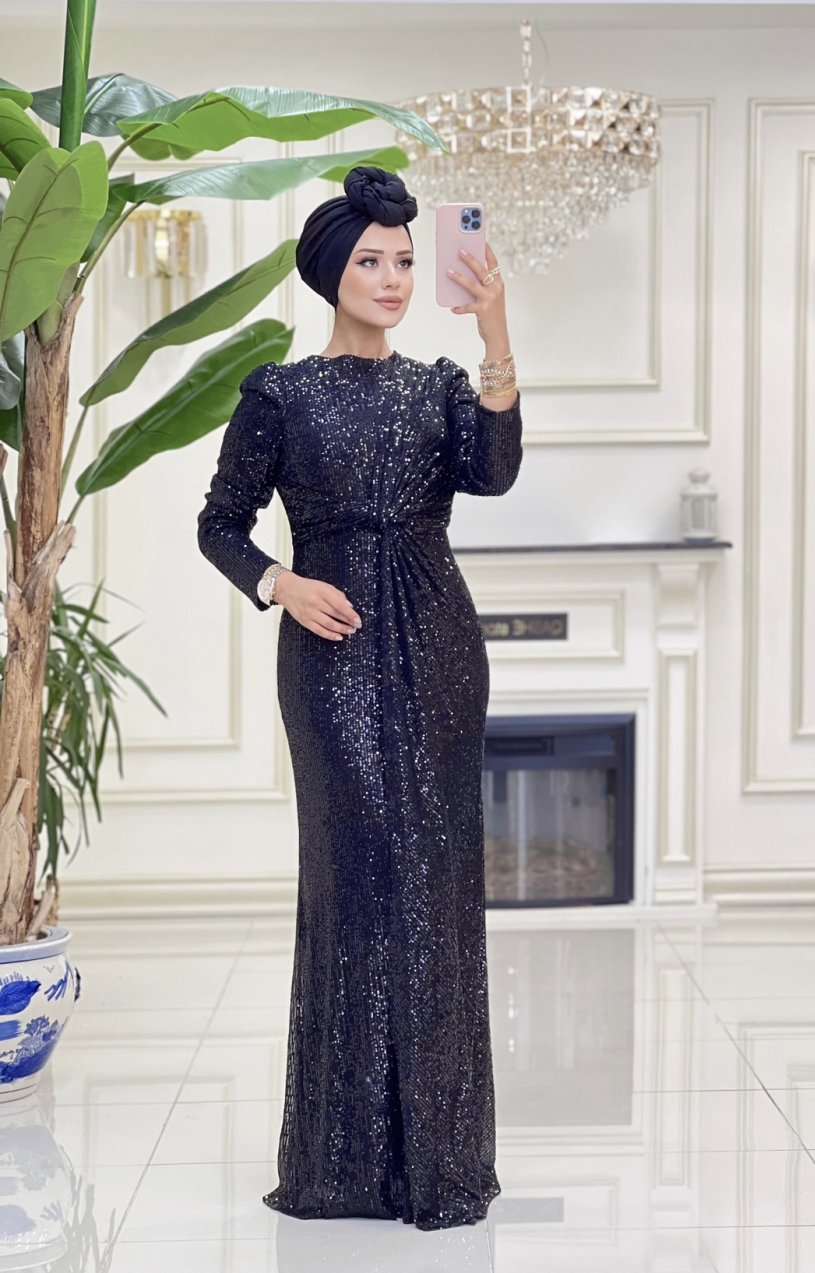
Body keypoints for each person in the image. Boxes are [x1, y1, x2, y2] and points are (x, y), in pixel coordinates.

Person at [195, 165, 522, 1231]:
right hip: (329, 655)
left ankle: (437, 1157)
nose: (392, 278)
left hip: (440, 646)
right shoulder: (278, 395)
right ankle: (346, 1159)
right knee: (360, 871)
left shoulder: (439, 385)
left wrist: (496, 332)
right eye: (372, 261)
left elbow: (493, 472)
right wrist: (280, 584)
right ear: (332, 271)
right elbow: (220, 524)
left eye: (405, 262)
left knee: (433, 884)